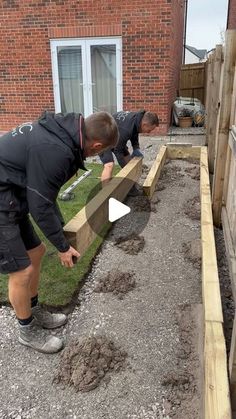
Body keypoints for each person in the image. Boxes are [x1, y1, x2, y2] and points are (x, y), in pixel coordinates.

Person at [0, 111, 118, 354]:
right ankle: (26, 330)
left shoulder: (63, 134)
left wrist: (61, 235)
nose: (96, 154)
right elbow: (40, 205)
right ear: (96, 145)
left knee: (37, 251)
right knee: (21, 271)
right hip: (2, 201)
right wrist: (63, 247)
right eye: (99, 152)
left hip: (11, 194)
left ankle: (33, 308)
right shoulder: (56, 151)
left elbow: (45, 194)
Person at [100, 110, 159, 185]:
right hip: (102, 137)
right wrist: (126, 170)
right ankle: (105, 194)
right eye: (149, 130)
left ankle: (130, 186)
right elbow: (118, 152)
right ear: (144, 124)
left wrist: (136, 148)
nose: (149, 132)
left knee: (128, 159)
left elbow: (134, 132)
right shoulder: (126, 129)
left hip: (116, 135)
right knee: (109, 164)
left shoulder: (137, 119)